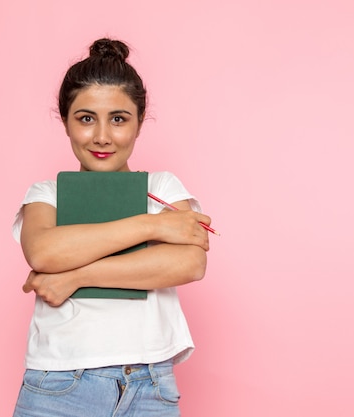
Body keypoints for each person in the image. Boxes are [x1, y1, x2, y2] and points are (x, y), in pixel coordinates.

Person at [11, 38, 212, 417]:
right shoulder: (47, 194)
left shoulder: (163, 189)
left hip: (150, 386)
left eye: (118, 119)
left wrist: (76, 275)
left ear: (138, 123)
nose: (102, 136)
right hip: (59, 384)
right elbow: (44, 252)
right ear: (66, 122)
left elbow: (189, 265)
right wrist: (149, 225)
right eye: (86, 118)